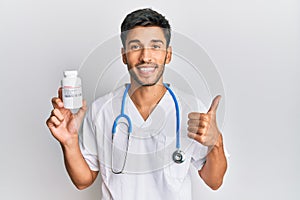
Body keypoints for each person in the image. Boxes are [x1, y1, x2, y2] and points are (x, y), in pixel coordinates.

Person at [46, 8, 227, 200]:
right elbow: (83, 180)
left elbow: (214, 181)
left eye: (156, 46)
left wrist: (216, 141)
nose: (145, 57)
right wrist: (69, 142)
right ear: (124, 55)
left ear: (168, 54)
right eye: (135, 47)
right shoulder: (102, 109)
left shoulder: (191, 109)